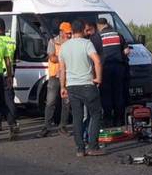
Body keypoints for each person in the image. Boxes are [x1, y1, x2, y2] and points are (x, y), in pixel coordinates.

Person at [58, 19, 105, 156]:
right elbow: (97, 61)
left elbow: (62, 69)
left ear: (72, 30)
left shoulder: (64, 47)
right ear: (83, 30)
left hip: (72, 86)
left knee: (77, 118)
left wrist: (62, 86)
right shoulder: (87, 44)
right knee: (96, 114)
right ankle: (93, 146)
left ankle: (80, 149)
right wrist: (99, 78)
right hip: (87, 84)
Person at [38, 21, 73, 137]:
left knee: (66, 103)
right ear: (61, 32)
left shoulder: (72, 42)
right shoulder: (53, 42)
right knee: (50, 102)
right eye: (67, 33)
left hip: (68, 76)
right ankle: (46, 127)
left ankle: (62, 127)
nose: (69, 35)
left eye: (70, 33)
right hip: (55, 77)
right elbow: (52, 57)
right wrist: (64, 58)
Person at [97, 17, 130, 127]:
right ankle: (119, 119)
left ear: (99, 26)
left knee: (106, 94)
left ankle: (107, 120)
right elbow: (126, 51)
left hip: (105, 68)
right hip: (118, 67)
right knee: (118, 93)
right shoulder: (117, 35)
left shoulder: (99, 37)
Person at [0, 19, 18, 135]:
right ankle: (12, 125)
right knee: (9, 101)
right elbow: (14, 59)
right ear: (5, 29)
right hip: (7, 75)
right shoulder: (12, 41)